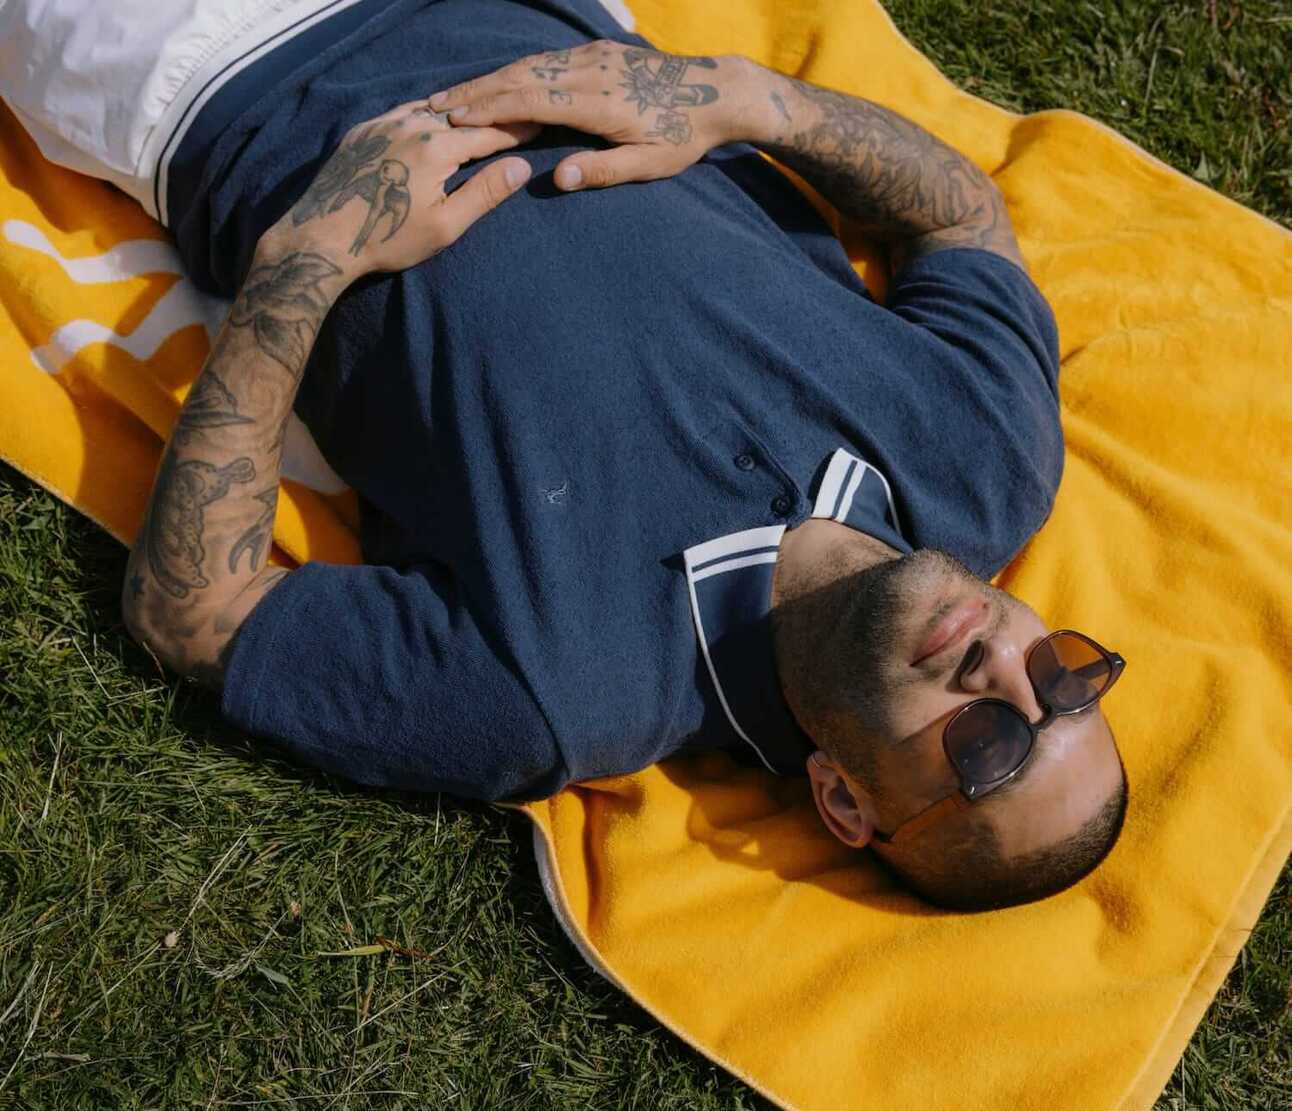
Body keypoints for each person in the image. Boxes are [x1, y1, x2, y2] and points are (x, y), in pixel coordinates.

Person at [2, 0, 1127, 911]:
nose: (1003, 670)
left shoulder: (557, 692)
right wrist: (748, 100)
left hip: (207, 61)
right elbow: (962, 222)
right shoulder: (987, 459)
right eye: (1061, 681)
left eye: (987, 748)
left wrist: (309, 257)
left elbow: (192, 613)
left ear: (843, 801)